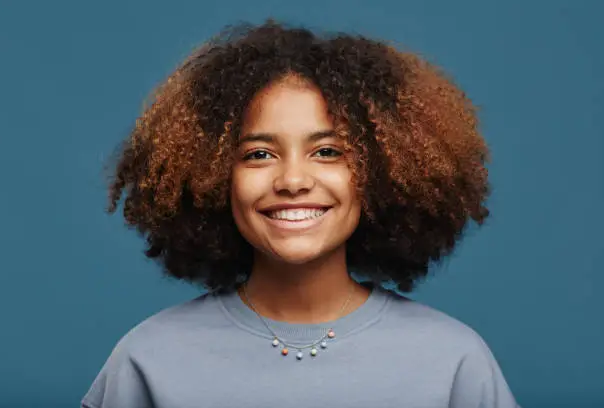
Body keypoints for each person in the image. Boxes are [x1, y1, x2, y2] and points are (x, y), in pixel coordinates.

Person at [81, 20, 520, 408]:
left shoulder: (453, 363)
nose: (292, 180)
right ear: (212, 177)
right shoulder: (149, 359)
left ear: (385, 172)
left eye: (327, 152)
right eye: (258, 154)